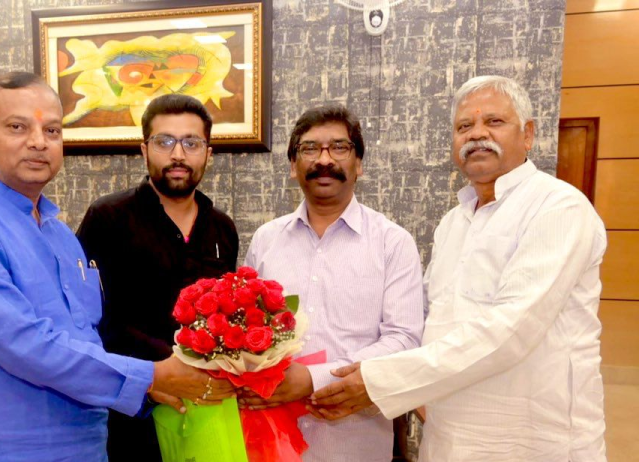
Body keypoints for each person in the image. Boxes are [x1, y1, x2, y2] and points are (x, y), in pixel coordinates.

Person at [0, 72, 233, 462]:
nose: (38, 142)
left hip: (86, 447)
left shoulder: (60, 237)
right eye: (17, 127)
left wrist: (150, 388)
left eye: (52, 130)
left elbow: (87, 338)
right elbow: (24, 343)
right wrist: (151, 375)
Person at [309, 76, 608, 462]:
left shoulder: (558, 208)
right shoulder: (454, 222)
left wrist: (383, 380)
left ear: (528, 134)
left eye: (494, 121)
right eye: (465, 126)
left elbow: (511, 331)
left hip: (530, 438)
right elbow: (433, 321)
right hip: (448, 434)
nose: (477, 134)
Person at [239, 105, 425, 461]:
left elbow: (403, 339)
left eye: (339, 147)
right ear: (293, 165)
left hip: (354, 441)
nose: (324, 160)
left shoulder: (392, 242)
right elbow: (246, 327)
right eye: (310, 148)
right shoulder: (266, 240)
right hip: (270, 436)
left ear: (359, 164)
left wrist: (313, 378)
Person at [76, 94, 239, 461]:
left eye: (191, 143)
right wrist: (157, 371)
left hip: (204, 406)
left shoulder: (222, 229)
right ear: (144, 150)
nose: (178, 155)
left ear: (208, 153)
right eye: (164, 142)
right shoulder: (108, 217)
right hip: (130, 408)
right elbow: (88, 316)